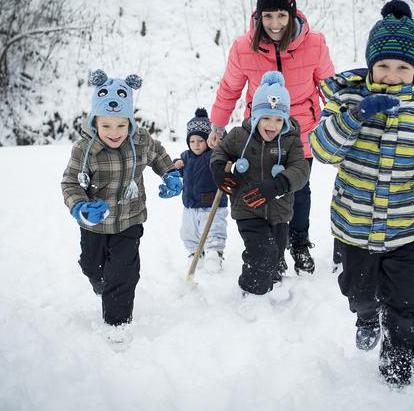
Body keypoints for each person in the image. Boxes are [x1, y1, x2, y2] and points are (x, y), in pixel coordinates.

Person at [309, 0, 414, 387]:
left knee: (408, 303)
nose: (393, 75)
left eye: (403, 67)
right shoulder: (346, 101)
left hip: (407, 228)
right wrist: (357, 116)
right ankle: (366, 316)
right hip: (356, 226)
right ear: (370, 65)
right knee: (359, 293)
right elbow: (322, 149)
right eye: (383, 65)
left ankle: (398, 359)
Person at [208, 0, 334, 276]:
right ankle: (271, 248)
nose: (275, 24)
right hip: (259, 132)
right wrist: (218, 124)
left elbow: (329, 86)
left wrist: (340, 121)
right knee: (261, 187)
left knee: (298, 188)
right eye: (268, 16)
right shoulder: (243, 47)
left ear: (292, 15)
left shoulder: (315, 43)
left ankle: (299, 242)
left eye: (281, 15)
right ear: (258, 16)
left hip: (301, 130)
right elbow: (229, 88)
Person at [61, 69, 182, 330]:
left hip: (129, 219)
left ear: (130, 122)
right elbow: (70, 182)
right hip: (95, 225)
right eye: (106, 125)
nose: (114, 132)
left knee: (124, 272)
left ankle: (117, 322)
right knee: (92, 266)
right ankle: (99, 280)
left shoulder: (139, 141)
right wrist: (80, 207)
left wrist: (170, 173)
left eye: (121, 125)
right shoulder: (85, 151)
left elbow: (157, 154)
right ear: (95, 122)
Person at [210, 71, 310, 295]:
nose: (272, 125)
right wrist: (218, 169)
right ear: (255, 116)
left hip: (280, 211)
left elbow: (301, 169)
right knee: (263, 253)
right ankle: (251, 290)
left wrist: (278, 185)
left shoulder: (291, 140)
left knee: (275, 253)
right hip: (247, 206)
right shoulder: (238, 136)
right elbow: (220, 152)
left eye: (278, 119)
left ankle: (271, 270)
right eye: (266, 117)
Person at [173, 108, 229, 273]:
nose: (196, 145)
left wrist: (219, 136)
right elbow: (179, 171)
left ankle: (214, 253)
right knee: (188, 232)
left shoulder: (213, 155)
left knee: (214, 229)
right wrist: (177, 164)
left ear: (208, 140)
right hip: (190, 205)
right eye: (192, 141)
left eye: (200, 141)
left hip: (212, 203)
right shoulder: (186, 156)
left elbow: (226, 147)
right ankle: (196, 253)